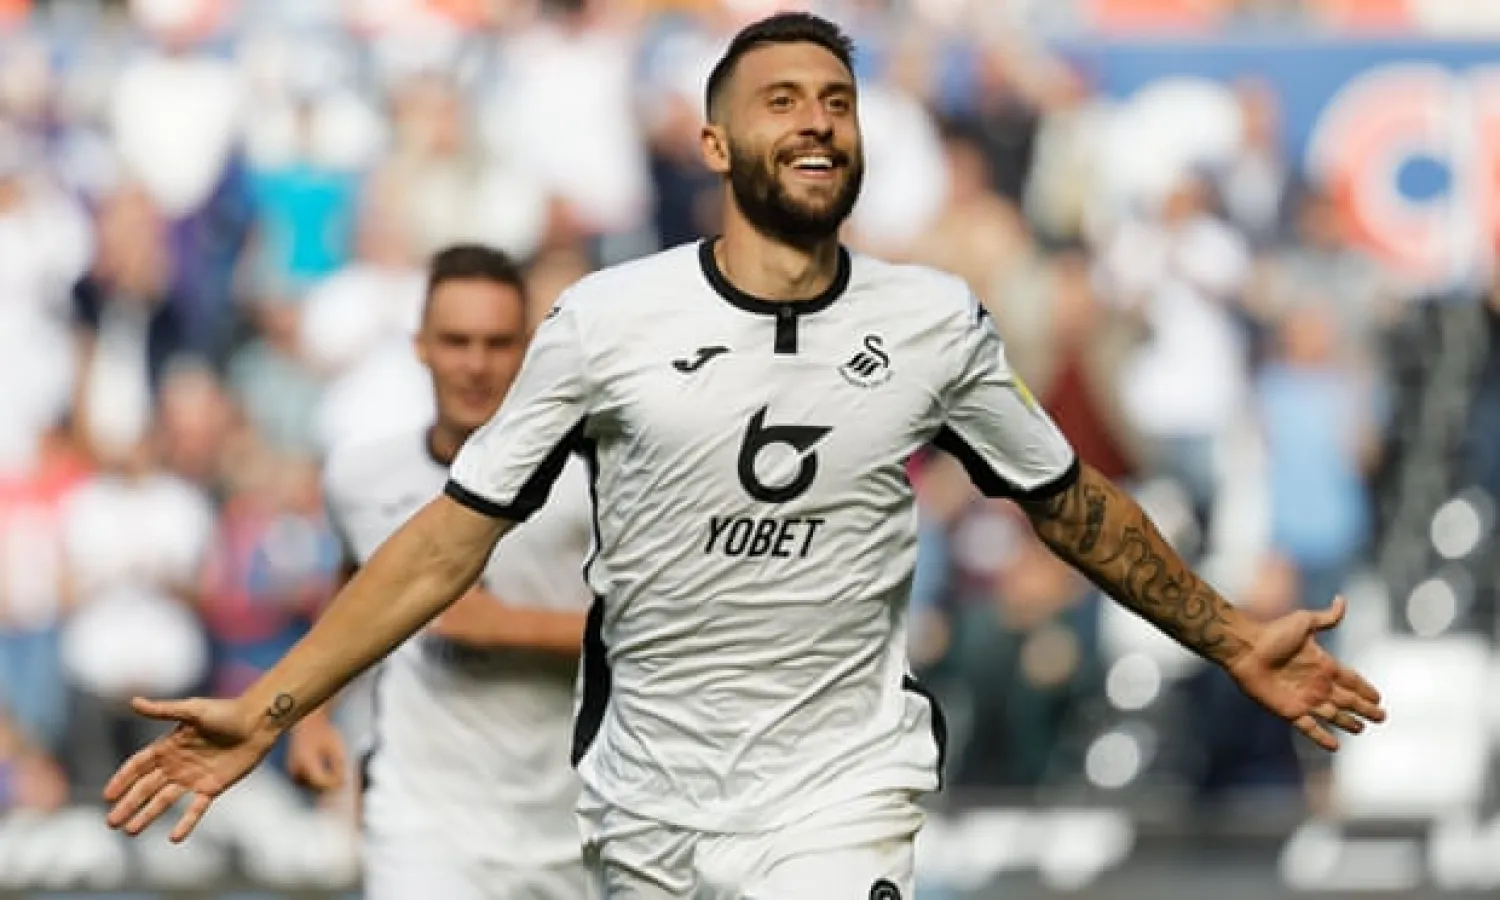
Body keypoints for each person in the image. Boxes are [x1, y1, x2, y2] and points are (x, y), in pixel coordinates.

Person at [102, 14, 1385, 900]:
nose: (816, 123)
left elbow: (1067, 505)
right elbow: (445, 539)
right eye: (781, 103)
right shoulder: (606, 322)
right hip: (647, 800)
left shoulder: (933, 320)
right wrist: (272, 708)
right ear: (715, 147)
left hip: (839, 786)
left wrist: (1227, 635)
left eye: (838, 102)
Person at [287, 244, 594, 900]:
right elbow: (352, 585)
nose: (476, 365)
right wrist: (311, 717)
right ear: (419, 345)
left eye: (497, 342)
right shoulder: (361, 476)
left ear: (531, 347)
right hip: (422, 826)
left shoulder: (592, 483)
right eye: (456, 341)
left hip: (569, 826)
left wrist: (507, 627)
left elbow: (657, 632)